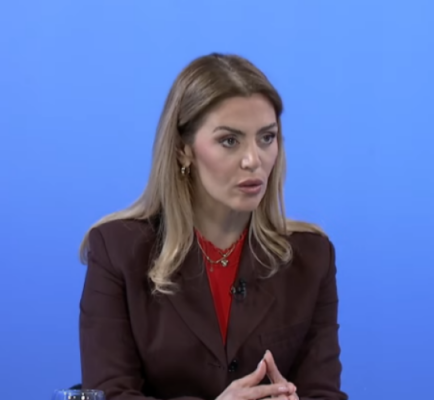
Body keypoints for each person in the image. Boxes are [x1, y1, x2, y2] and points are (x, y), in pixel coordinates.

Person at [78, 53, 347, 400]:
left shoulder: (311, 257)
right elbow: (110, 393)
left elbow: (323, 393)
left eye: (267, 138)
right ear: (183, 150)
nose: (253, 160)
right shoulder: (118, 250)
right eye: (229, 141)